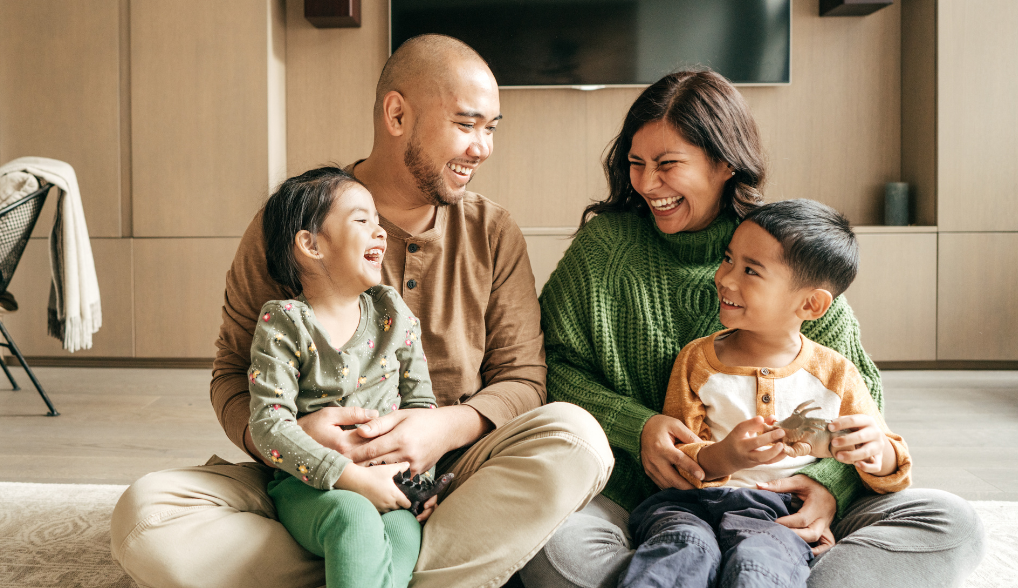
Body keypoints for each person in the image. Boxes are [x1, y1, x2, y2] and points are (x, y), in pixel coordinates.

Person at [110, 35, 613, 588]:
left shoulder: (494, 232)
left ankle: (354, 566)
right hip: (306, 478)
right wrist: (303, 440)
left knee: (577, 440)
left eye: (491, 128)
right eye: (467, 125)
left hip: (446, 481)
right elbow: (232, 377)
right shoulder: (294, 222)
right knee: (146, 515)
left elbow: (523, 382)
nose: (483, 147)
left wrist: (438, 430)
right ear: (397, 114)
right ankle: (388, 566)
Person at [520, 69, 983, 588]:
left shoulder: (785, 249)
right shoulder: (605, 248)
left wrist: (823, 484)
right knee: (549, 540)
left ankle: (735, 571)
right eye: (636, 163)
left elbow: (859, 394)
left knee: (953, 524)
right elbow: (547, 367)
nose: (648, 184)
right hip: (647, 502)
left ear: (724, 163)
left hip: (780, 507)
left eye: (667, 165)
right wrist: (638, 426)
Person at [618, 199, 912, 588]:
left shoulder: (836, 373)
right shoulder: (698, 360)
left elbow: (891, 470)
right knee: (679, 550)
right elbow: (679, 455)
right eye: (728, 259)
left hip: (777, 515)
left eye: (750, 271)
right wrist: (725, 456)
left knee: (760, 564)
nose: (725, 278)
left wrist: (879, 452)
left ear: (811, 303)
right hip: (688, 508)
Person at [250, 167, 444, 588]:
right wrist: (351, 478)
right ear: (311, 244)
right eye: (362, 220)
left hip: (391, 485)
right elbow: (268, 426)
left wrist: (417, 484)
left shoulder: (393, 314)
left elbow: (421, 409)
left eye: (378, 221)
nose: (380, 232)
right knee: (353, 517)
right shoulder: (283, 323)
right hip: (311, 488)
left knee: (402, 532)